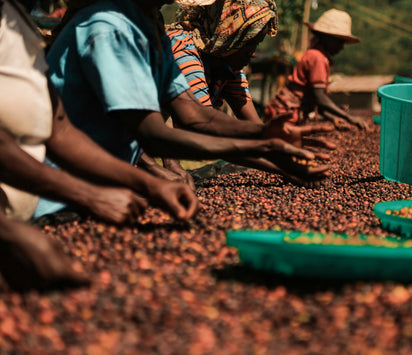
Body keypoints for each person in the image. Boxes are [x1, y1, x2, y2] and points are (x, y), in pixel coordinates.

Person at [39, 0, 332, 219]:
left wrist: (266, 133)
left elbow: (194, 114)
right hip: (60, 192)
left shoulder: (150, 30)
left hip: (108, 184)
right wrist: (269, 147)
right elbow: (150, 132)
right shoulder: (111, 27)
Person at [0, 0, 198, 290]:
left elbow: (60, 131)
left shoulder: (20, 22)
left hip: (21, 221)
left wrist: (150, 184)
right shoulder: (104, 29)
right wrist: (87, 195)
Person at [139, 0, 335, 184]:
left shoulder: (229, 66)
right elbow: (202, 128)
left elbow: (253, 126)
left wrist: (280, 147)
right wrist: (282, 165)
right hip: (125, 139)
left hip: (148, 138)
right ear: (231, 37)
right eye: (250, 43)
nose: (255, 52)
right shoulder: (183, 48)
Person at [264, 9, 369, 130]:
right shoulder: (318, 57)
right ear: (327, 37)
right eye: (339, 41)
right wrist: (349, 117)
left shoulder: (316, 55)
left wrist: (333, 118)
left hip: (287, 112)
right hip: (285, 114)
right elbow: (320, 98)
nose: (341, 47)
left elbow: (314, 100)